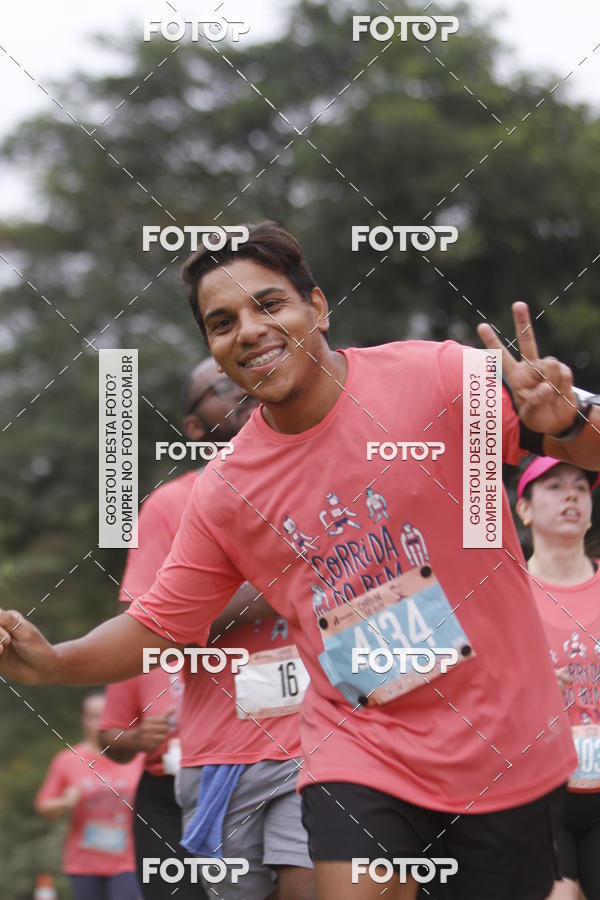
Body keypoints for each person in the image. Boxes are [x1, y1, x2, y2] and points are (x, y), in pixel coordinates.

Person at [3, 221, 600, 900]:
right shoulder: (227, 491)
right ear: (212, 347)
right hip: (360, 746)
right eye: (222, 322)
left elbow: (585, 446)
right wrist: (55, 662)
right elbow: (162, 624)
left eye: (268, 304)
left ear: (317, 306)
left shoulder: (435, 375)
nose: (248, 331)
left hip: (505, 743)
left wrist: (566, 423)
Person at [99, 359, 314, 900]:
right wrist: (279, 586)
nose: (241, 388)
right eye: (222, 386)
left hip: (321, 738)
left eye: (244, 378)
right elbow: (149, 625)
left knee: (311, 881)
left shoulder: (320, 478)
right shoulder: (170, 505)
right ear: (195, 428)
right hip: (223, 755)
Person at [515, 457, 600, 900]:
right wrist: (530, 689)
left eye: (580, 487)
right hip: (538, 792)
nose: (571, 495)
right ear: (524, 509)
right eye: (554, 486)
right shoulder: (505, 593)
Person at [35, 692, 143, 900]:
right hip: (83, 863)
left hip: (128, 860)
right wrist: (65, 802)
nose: (101, 723)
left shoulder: (137, 758)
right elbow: (45, 807)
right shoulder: (68, 760)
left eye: (107, 716)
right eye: (94, 717)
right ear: (84, 720)